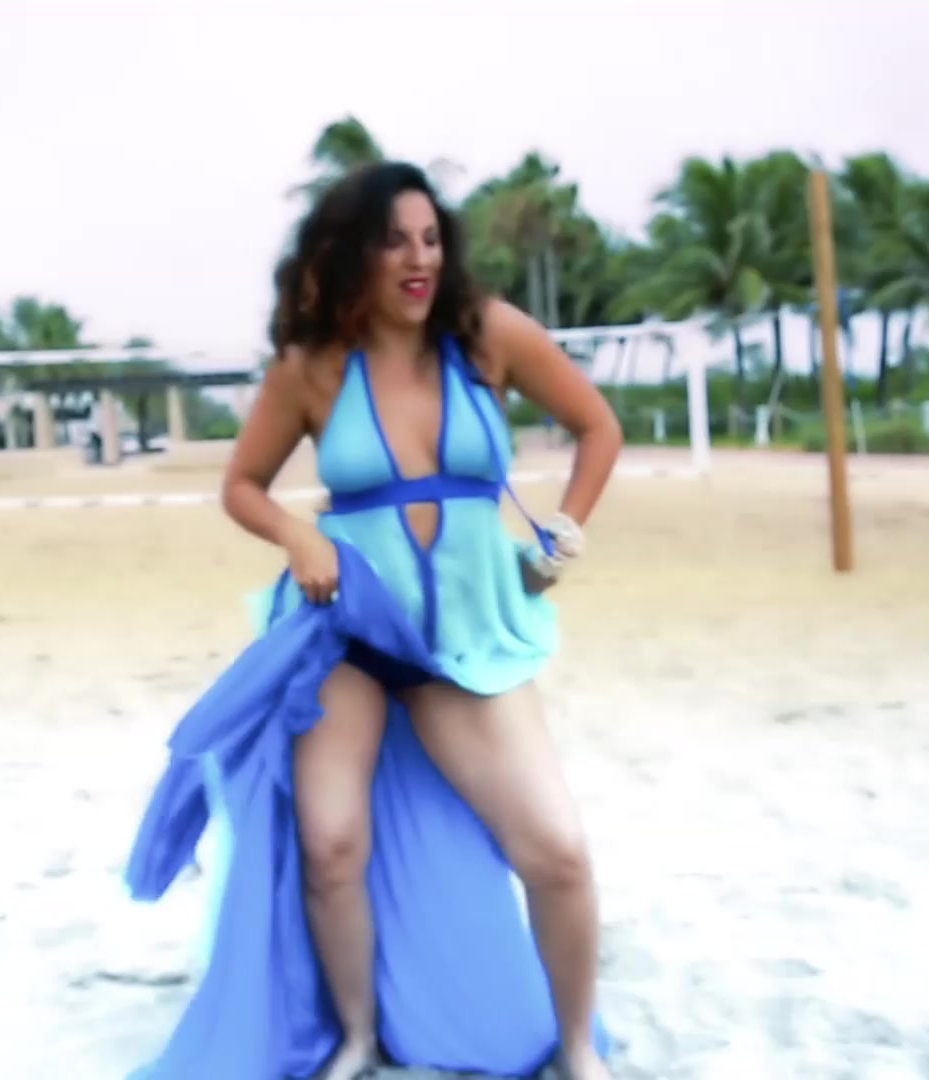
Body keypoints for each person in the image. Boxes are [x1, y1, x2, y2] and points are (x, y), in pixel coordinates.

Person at [219, 161, 623, 1080]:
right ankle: (359, 1039)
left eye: (431, 239)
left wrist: (563, 534)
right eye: (395, 241)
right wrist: (296, 534)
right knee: (330, 844)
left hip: (466, 642)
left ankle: (575, 1049)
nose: (419, 260)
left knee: (557, 851)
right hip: (347, 635)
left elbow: (598, 427)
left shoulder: (488, 336)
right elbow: (241, 486)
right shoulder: (313, 367)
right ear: (351, 253)